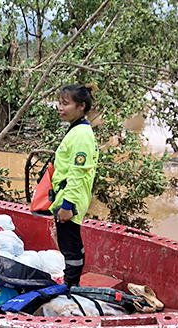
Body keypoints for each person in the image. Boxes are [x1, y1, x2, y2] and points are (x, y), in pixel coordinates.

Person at [49, 84, 99, 288]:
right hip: (68, 197)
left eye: (66, 104)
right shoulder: (77, 130)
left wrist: (67, 206)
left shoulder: (80, 135)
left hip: (70, 200)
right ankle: (71, 282)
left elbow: (78, 174)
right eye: (59, 103)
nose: (60, 108)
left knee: (71, 247)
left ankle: (70, 286)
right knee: (71, 244)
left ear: (81, 107)